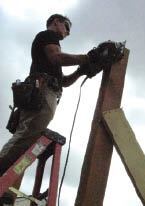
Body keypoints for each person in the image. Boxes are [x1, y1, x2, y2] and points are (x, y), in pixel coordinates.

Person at [0, 14, 98, 205]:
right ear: (56, 22)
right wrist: (86, 58)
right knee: (24, 138)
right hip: (42, 93)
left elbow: (64, 81)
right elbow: (56, 58)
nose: (67, 33)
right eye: (67, 27)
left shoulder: (50, 48)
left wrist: (81, 70)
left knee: (25, 140)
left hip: (48, 92)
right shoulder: (47, 36)